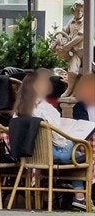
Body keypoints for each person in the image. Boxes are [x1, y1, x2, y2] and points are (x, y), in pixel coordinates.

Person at [14, 69, 95, 208]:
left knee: (76, 154)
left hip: (29, 155)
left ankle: (78, 197)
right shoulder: (45, 108)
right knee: (82, 151)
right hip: (51, 153)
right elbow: (57, 132)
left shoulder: (19, 109)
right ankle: (80, 196)